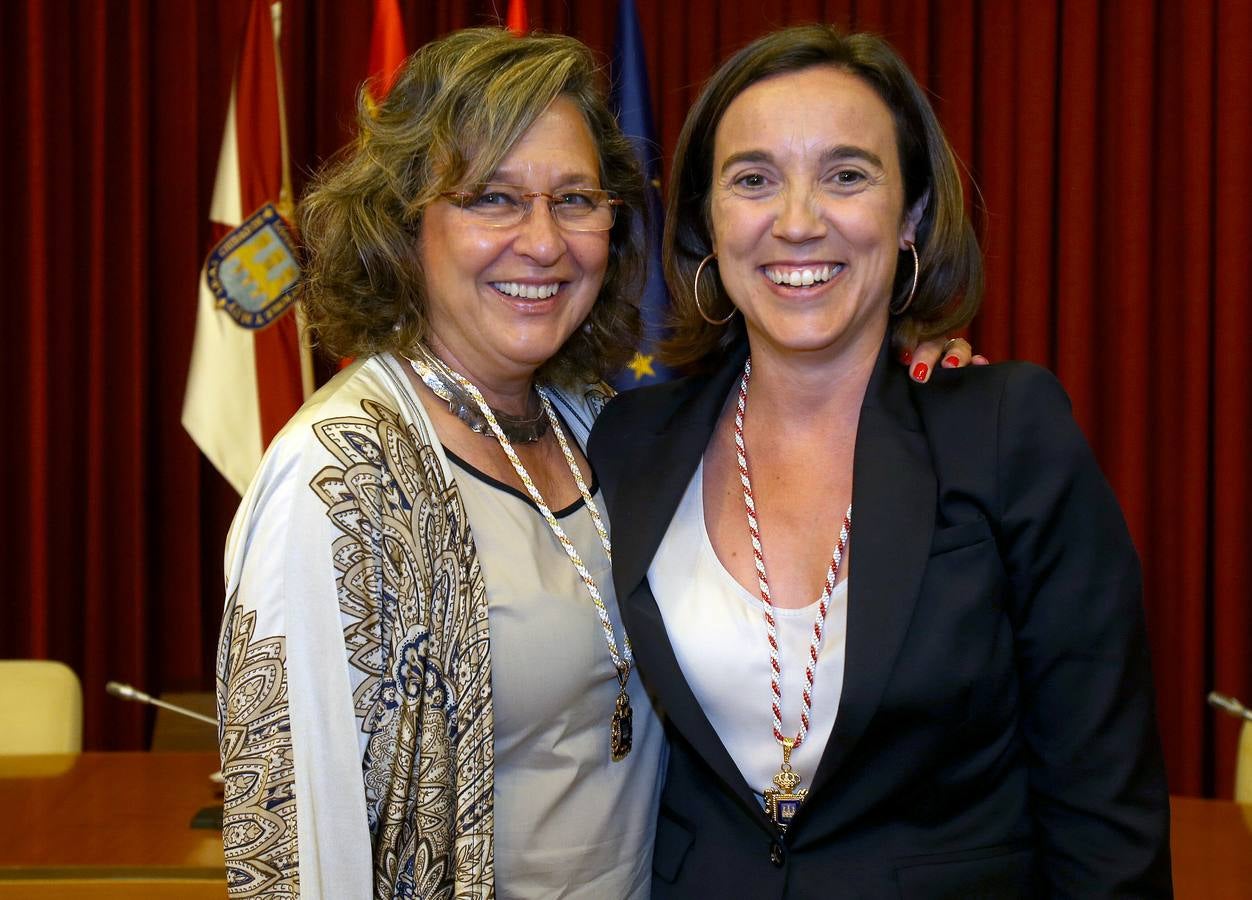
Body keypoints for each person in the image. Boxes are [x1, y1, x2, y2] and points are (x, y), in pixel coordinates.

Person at [216, 25, 979, 900]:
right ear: (403, 225)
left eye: (576, 199)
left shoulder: (603, 429)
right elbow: (296, 844)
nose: (544, 243)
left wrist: (901, 371)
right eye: (493, 198)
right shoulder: (339, 477)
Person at [588, 24, 1172, 899]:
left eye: (846, 175)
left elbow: (1104, 808)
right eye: (753, 180)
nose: (796, 221)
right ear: (708, 220)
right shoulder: (629, 441)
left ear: (912, 217)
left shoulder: (1005, 430)